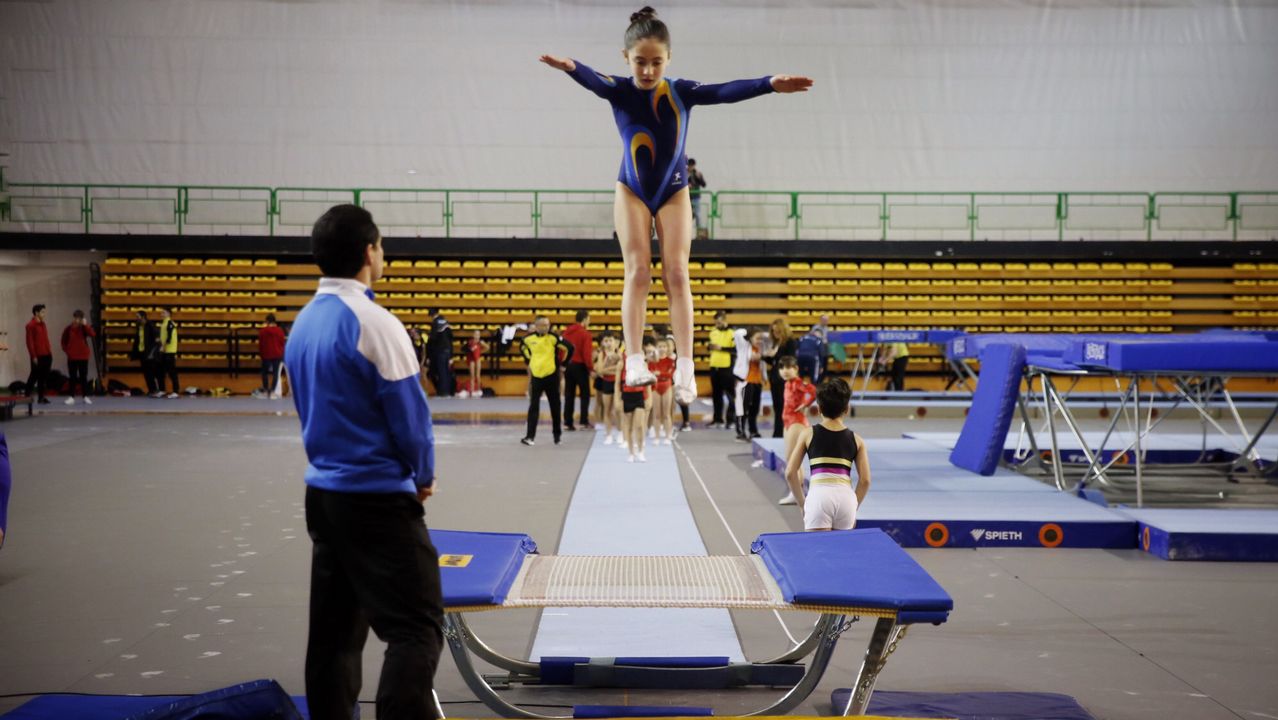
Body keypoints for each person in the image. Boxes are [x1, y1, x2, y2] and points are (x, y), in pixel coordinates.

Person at [540, 7, 812, 406]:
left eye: (656, 62)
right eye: (639, 62)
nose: (648, 71)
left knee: (678, 274)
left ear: (669, 59)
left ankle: (685, 366)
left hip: (673, 189)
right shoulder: (619, 89)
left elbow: (724, 91)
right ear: (625, 57)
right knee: (638, 272)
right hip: (631, 189)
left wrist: (769, 84)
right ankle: (634, 359)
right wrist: (570, 67)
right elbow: (591, 78)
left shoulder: (681, 91)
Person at [284, 204, 443, 720]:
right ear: (370, 252)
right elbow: (410, 416)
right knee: (416, 629)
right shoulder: (375, 322)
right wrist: (422, 476)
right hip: (375, 499)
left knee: (333, 636)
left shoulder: (303, 323)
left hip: (324, 498)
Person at [783, 377, 870, 532]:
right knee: (840, 553)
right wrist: (853, 505)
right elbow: (865, 481)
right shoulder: (857, 440)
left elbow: (790, 473)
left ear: (819, 408)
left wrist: (803, 504)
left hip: (818, 498)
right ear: (847, 408)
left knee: (818, 553)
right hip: (846, 499)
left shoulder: (808, 434)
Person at [520, 315, 573, 446]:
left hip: (551, 376)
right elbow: (522, 349)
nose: (546, 327)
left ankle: (557, 436)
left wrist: (564, 364)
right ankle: (530, 437)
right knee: (533, 407)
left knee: (555, 407)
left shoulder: (553, 338)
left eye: (548, 324)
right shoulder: (528, 339)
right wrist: (529, 360)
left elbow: (570, 348)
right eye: (543, 325)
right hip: (537, 377)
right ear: (536, 326)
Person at [775, 356, 817, 506]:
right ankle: (799, 490)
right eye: (782, 368)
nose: (785, 371)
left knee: (791, 460)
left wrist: (806, 404)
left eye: (788, 367)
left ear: (796, 369)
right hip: (788, 422)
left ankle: (796, 493)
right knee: (794, 461)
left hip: (797, 422)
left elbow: (814, 391)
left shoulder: (799, 383)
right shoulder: (787, 384)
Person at [764, 318, 798, 438]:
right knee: (777, 407)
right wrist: (766, 356)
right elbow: (773, 361)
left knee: (784, 407)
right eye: (773, 331)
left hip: (785, 379)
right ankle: (778, 433)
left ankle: (783, 433)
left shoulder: (790, 342)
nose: (775, 334)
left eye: (777, 331)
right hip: (775, 378)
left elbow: (790, 360)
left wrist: (775, 356)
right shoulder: (775, 342)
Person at [561, 310, 594, 430]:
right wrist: (590, 368)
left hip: (568, 365)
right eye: (589, 319)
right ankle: (583, 421)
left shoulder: (566, 332)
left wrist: (562, 364)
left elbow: (561, 349)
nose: (589, 321)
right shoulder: (585, 334)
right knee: (585, 394)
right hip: (580, 366)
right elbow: (586, 354)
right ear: (585, 319)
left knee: (569, 395)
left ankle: (567, 422)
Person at [616, 351, 650, 462]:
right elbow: (617, 384)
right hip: (626, 395)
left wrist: (648, 397)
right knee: (629, 426)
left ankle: (641, 451)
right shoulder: (622, 362)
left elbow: (647, 381)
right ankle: (631, 453)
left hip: (639, 395)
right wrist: (617, 399)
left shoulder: (642, 361)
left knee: (639, 425)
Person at [732, 327, 763, 441]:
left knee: (754, 408)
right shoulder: (743, 346)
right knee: (742, 408)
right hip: (745, 381)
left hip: (757, 381)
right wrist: (748, 333)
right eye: (757, 338)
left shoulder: (760, 348)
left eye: (761, 338)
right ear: (750, 338)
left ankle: (753, 431)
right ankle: (741, 432)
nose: (759, 340)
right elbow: (738, 333)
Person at [60, 309, 96, 405]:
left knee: (83, 377)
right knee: (72, 377)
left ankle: (85, 396)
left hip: (83, 356)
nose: (77, 320)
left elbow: (92, 334)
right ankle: (71, 397)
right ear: (74, 318)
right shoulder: (68, 329)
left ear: (82, 319)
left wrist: (86, 325)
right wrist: (68, 351)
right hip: (72, 357)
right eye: (76, 318)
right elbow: (63, 341)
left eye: (80, 318)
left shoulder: (84, 328)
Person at [707, 311, 736, 428]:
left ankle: (731, 420)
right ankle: (718, 419)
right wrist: (710, 347)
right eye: (716, 323)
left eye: (719, 322)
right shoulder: (712, 332)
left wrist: (722, 348)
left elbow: (735, 350)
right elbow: (710, 346)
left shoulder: (732, 333)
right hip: (714, 366)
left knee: (730, 395)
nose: (717, 324)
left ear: (725, 320)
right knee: (716, 395)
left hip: (727, 367)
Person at [594, 332, 623, 444]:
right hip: (606, 383)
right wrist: (613, 368)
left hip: (617, 383)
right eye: (606, 341)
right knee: (607, 410)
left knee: (618, 409)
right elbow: (600, 371)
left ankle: (620, 432)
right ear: (603, 343)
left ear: (615, 342)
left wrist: (608, 369)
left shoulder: (619, 353)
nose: (609, 343)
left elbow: (621, 368)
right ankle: (609, 434)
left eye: (611, 340)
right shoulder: (601, 354)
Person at [24, 304, 53, 405]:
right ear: (36, 313)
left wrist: (49, 351)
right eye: (42, 312)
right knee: (34, 376)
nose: (44, 314)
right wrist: (34, 356)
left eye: (44, 312)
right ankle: (26, 395)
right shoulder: (30, 325)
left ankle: (41, 397)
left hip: (47, 354)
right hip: (37, 356)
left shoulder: (43, 324)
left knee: (43, 378)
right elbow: (30, 342)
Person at [649, 337, 675, 443]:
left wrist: (659, 373)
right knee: (656, 413)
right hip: (655, 386)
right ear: (656, 348)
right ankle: (656, 436)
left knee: (666, 413)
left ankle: (668, 435)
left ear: (667, 348)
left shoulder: (670, 361)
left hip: (667, 386)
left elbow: (670, 374)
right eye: (659, 346)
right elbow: (650, 372)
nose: (662, 349)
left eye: (664, 346)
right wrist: (660, 375)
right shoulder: (652, 361)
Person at [130, 310, 160, 395]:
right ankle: (151, 390)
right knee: (146, 373)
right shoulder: (139, 326)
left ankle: (155, 389)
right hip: (142, 352)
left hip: (150, 353)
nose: (136, 318)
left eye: (137, 317)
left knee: (151, 373)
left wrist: (153, 352)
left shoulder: (150, 325)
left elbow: (157, 339)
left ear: (143, 317)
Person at [426, 311, 455, 397]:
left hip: (439, 351)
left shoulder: (435, 323)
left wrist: (429, 354)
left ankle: (442, 392)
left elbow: (432, 339)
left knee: (441, 372)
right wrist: (451, 355)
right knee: (446, 372)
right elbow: (451, 339)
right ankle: (449, 391)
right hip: (447, 351)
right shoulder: (446, 322)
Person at [257, 313, 286, 398]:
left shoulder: (262, 331)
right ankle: (273, 391)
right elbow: (282, 343)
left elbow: (261, 344)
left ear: (267, 321)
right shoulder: (280, 331)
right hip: (277, 354)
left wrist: (261, 354)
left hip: (266, 355)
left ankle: (266, 391)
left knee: (264, 373)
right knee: (275, 373)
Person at [156, 308, 180, 399]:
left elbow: (169, 337)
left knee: (172, 372)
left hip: (169, 351)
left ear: (169, 314)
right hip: (164, 351)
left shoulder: (170, 323)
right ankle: (162, 390)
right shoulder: (163, 323)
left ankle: (176, 391)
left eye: (163, 312)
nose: (161, 313)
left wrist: (164, 346)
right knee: (160, 371)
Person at [464, 329, 489, 397]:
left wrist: (481, 350)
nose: (477, 336)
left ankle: (478, 390)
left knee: (478, 375)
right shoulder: (470, 342)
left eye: (478, 334)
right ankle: (472, 391)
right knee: (472, 376)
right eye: (475, 334)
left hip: (477, 359)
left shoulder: (480, 342)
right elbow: (466, 350)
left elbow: (487, 348)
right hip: (471, 359)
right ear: (473, 335)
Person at [687, 158, 708, 238]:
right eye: (689, 165)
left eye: (692, 165)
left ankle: (700, 234)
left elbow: (704, 184)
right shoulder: (684, 173)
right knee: (687, 216)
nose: (690, 167)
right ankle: (685, 234)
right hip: (687, 198)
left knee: (698, 215)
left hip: (695, 197)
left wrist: (699, 177)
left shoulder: (697, 173)